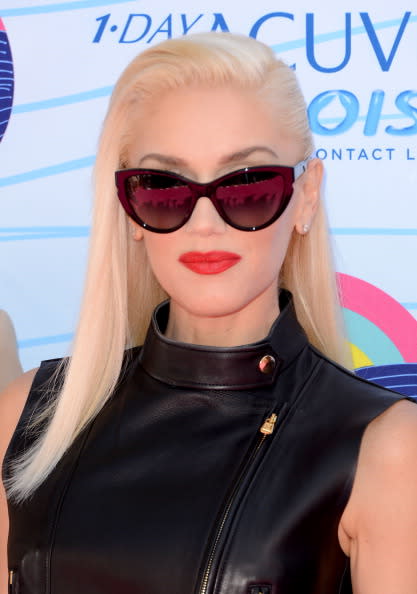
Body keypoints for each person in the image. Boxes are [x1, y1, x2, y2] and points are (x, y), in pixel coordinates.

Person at [1, 32, 416, 594]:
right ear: (126, 207)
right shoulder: (29, 417)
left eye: (247, 187)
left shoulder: (385, 448)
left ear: (306, 196)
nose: (204, 223)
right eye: (163, 188)